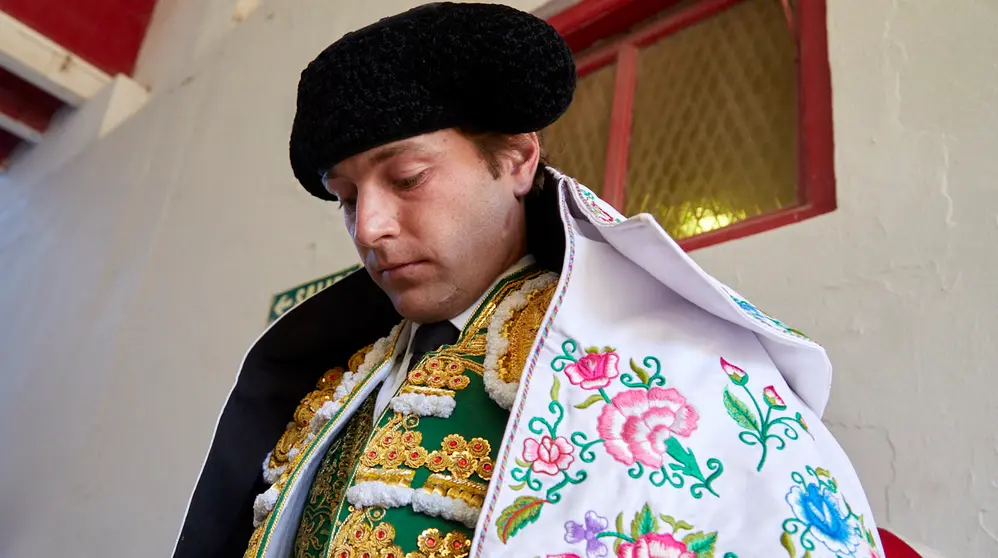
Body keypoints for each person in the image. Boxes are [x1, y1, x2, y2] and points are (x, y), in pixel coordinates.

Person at [174, 3, 884, 557]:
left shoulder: (673, 367)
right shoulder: (344, 377)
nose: (369, 228)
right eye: (347, 198)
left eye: (407, 178)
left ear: (516, 161)